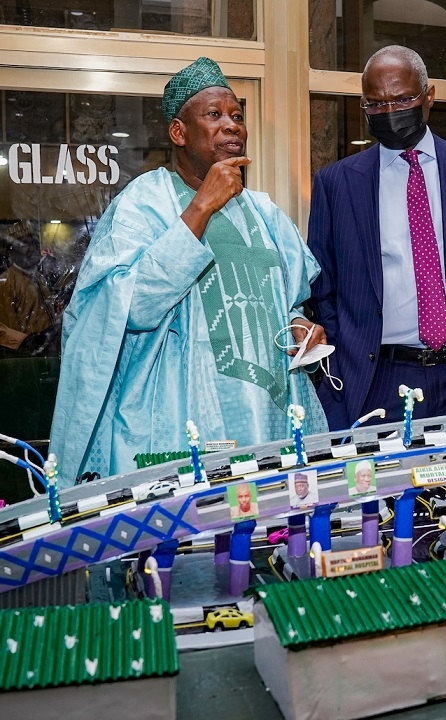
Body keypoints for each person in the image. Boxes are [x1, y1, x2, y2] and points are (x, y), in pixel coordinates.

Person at [49, 57, 328, 483]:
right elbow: (131, 306)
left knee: (270, 540)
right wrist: (201, 207)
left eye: (237, 116)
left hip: (270, 422)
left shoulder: (265, 212)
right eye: (214, 115)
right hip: (181, 423)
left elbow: (287, 301)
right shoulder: (143, 204)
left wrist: (298, 325)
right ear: (179, 132)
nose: (232, 125)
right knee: (190, 544)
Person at [308, 45, 446, 433]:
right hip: (377, 381)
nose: (390, 112)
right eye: (375, 104)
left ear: (429, 96)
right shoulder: (337, 183)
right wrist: (341, 369)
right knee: (381, 491)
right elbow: (324, 287)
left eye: (403, 99)